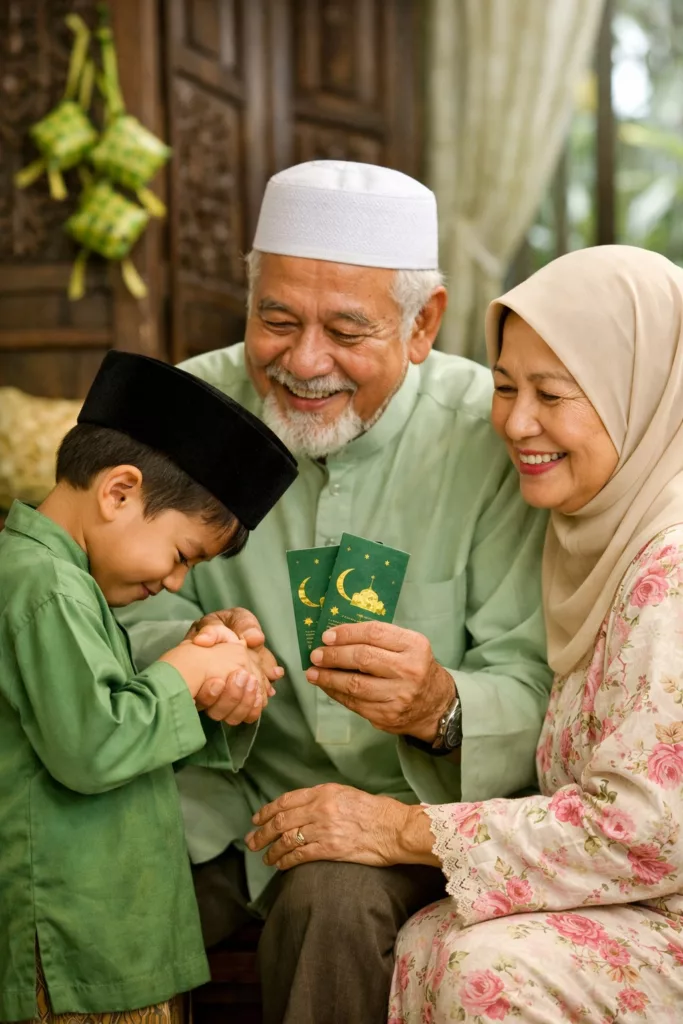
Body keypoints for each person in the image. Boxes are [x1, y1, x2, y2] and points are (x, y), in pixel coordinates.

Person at [118, 160, 552, 1024]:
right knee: (76, 874)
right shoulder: (188, 408)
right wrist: (193, 648)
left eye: (346, 331)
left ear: (422, 324)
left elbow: (535, 672)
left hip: (394, 819)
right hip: (209, 798)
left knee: (334, 903)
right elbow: (98, 600)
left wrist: (442, 705)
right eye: (274, 320)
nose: (302, 361)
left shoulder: (493, 436)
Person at [386, 245, 683, 1022]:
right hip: (645, 907)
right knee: (434, 936)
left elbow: (648, 828)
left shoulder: (672, 563)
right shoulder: (598, 534)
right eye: (505, 386)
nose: (515, 422)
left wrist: (401, 828)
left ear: (638, 395)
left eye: (551, 394)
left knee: (490, 968)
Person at [0, 351, 297, 1023]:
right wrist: (184, 671)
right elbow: (91, 745)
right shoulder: (43, 587)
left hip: (118, 937)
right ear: (119, 493)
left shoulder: (72, 585)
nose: (175, 583)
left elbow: (117, 724)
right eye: (183, 555)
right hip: (74, 952)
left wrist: (210, 681)